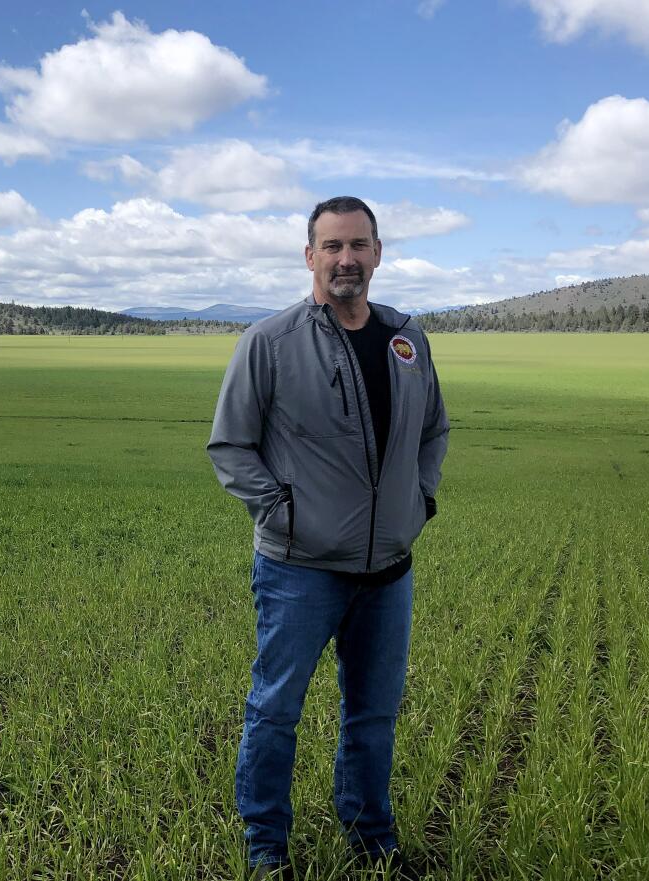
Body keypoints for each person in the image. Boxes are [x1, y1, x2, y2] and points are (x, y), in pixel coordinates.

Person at [207, 197, 449, 877]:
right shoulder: (270, 341)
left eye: (359, 245)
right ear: (310, 256)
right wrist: (284, 513)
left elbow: (435, 430)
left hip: (389, 570)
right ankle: (264, 844)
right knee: (276, 708)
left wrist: (419, 499)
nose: (347, 259)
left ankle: (373, 838)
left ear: (379, 252)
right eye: (332, 246)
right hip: (300, 570)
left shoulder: (407, 339)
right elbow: (230, 446)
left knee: (373, 715)